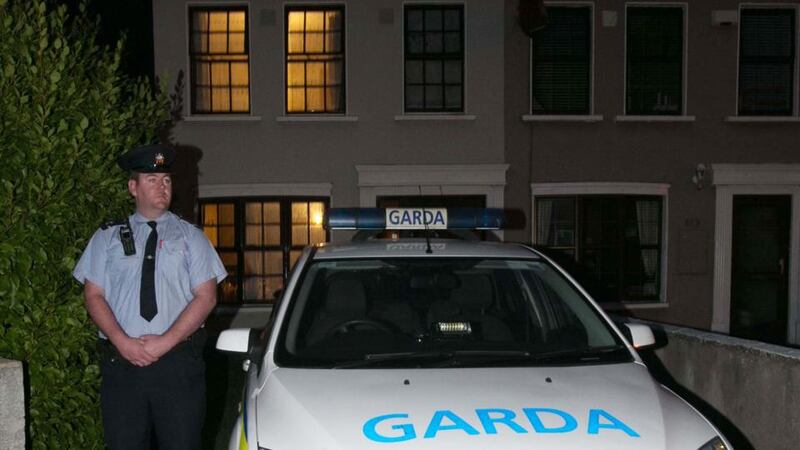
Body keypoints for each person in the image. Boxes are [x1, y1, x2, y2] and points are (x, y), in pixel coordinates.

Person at [72, 144, 227, 450]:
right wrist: (123, 342)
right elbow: (93, 295)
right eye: (152, 180)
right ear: (133, 187)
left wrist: (164, 343)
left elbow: (206, 297)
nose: (162, 186)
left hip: (178, 364)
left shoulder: (192, 237)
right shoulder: (106, 237)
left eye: (166, 180)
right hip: (122, 365)